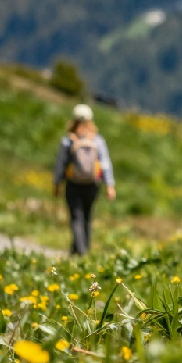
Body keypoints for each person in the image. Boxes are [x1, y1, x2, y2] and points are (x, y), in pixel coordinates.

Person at [53, 104, 116, 256]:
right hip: (92, 184)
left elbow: (61, 164)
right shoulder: (97, 140)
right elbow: (105, 163)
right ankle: (82, 250)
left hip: (73, 184)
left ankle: (80, 252)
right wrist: (109, 185)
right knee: (87, 216)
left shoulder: (68, 140)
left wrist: (57, 183)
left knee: (76, 216)